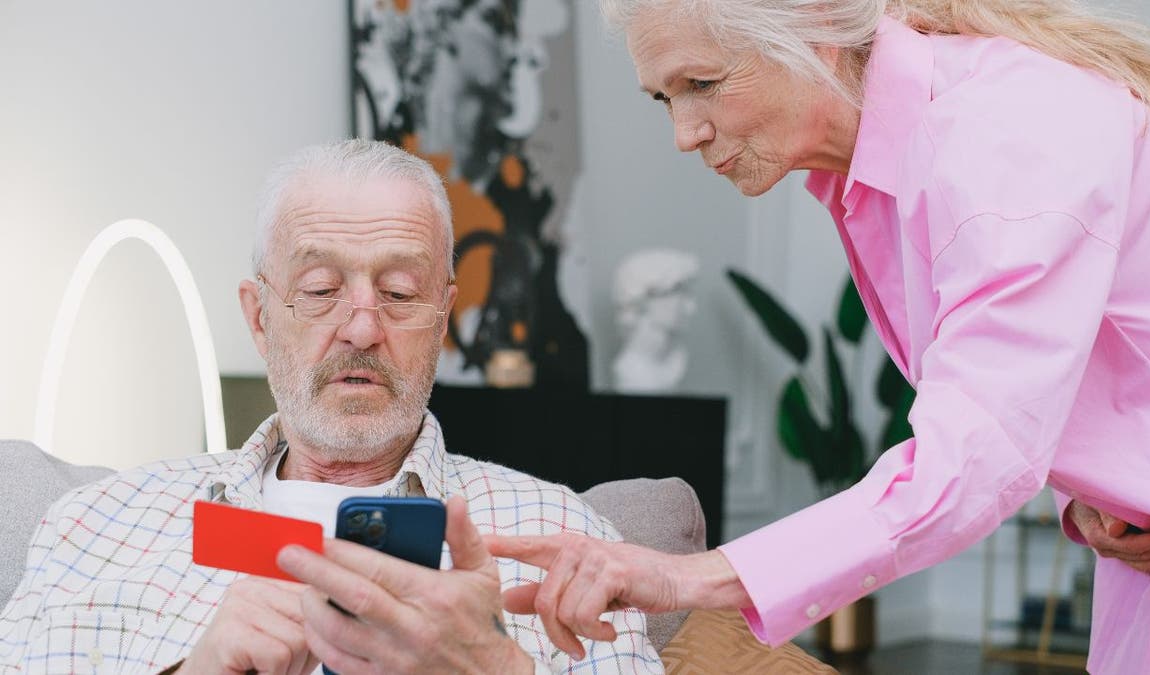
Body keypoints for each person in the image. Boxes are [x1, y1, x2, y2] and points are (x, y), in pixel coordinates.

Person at [484, 1, 1150, 673]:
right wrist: (1116, 490)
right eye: (663, 97)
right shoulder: (881, 173)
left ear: (818, 23)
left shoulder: (1005, 134)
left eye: (701, 83)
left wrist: (684, 574)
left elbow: (974, 453)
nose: (684, 132)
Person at [0, 140, 661, 674]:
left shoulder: (566, 541)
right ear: (259, 318)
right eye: (320, 289)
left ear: (442, 318)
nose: (363, 328)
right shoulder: (94, 528)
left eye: (400, 292)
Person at [611, 248, 699, 393]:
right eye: (680, 293)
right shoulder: (633, 374)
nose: (691, 307)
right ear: (645, 300)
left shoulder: (675, 360)